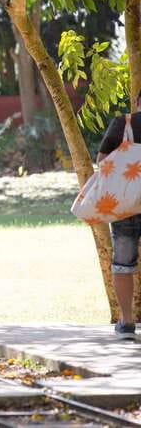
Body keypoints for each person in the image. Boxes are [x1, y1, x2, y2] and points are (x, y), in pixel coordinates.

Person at [97, 95, 141, 338]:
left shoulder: (123, 124)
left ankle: (126, 322)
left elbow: (102, 162)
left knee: (123, 263)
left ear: (137, 101)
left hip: (125, 206)